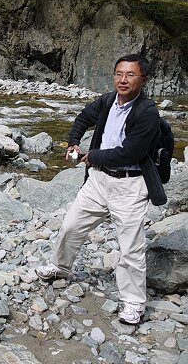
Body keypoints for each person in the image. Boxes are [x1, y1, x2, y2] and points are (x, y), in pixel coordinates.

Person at [35, 54, 167, 325]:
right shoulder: (108, 101)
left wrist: (93, 156)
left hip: (130, 184)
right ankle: (60, 267)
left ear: (144, 79)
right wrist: (73, 143)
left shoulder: (147, 113)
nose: (123, 79)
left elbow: (130, 152)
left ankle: (133, 302)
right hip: (98, 181)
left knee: (130, 247)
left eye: (131, 75)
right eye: (119, 73)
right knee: (71, 225)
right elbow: (83, 118)